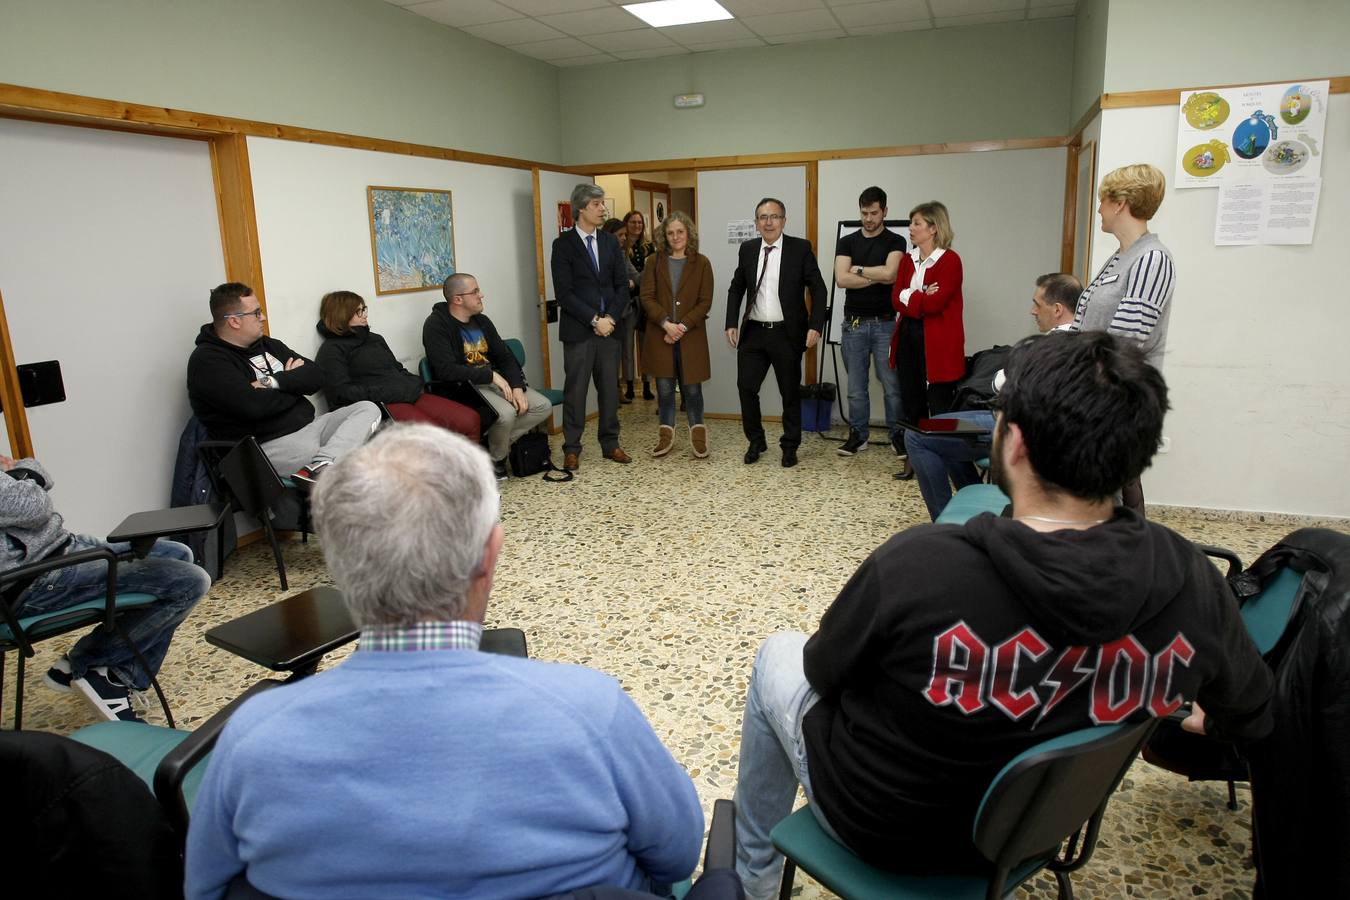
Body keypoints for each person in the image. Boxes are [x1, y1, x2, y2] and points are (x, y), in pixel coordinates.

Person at [730, 332, 1273, 899]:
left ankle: (750, 883)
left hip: (881, 829)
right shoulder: (1192, 580)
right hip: (1032, 837)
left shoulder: (918, 565)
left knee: (779, 653)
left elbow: (823, 672)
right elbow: (1255, 713)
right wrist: (1205, 720)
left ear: (1012, 443)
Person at [184, 425, 703, 899]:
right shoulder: (590, 711)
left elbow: (207, 889)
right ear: (490, 552)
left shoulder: (254, 738)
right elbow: (676, 855)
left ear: (338, 568)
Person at [2, 455, 210, 722]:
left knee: (178, 554)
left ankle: (99, 671)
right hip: (34, 580)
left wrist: (21, 476)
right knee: (190, 582)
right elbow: (34, 504)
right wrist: (25, 473)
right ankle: (97, 670)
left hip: (59, 549)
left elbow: (34, 491)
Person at [906, 272, 1081, 520]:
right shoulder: (1085, 340)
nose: (1032, 311)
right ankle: (970, 513)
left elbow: (999, 383)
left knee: (918, 435)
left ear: (1057, 309)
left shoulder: (1048, 348)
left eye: (1037, 304)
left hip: (1012, 427)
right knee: (949, 434)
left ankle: (945, 523)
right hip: (1039, 432)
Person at [187, 282, 379, 484]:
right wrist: (295, 385)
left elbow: (316, 376)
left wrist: (271, 382)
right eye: (256, 313)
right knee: (360, 464)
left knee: (368, 408)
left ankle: (323, 465)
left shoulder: (268, 345)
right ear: (234, 321)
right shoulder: (208, 361)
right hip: (268, 446)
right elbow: (253, 406)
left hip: (311, 426)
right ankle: (325, 465)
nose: (263, 317)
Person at [1073, 163, 1177, 515]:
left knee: (1107, 503)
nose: (1099, 208)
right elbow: (1084, 323)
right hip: (1096, 392)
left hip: (1117, 398)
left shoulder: (1152, 259)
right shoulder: (1120, 257)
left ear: (1120, 203)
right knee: (1096, 494)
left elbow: (1124, 343)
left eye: (1103, 200)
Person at [724, 198, 828, 469]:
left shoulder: (800, 249)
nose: (768, 222)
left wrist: (815, 326)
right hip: (754, 334)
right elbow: (736, 288)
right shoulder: (747, 250)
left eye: (774, 216)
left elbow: (818, 289)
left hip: (787, 334)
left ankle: (790, 445)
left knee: (789, 393)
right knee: (746, 387)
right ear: (756, 222)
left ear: (784, 220)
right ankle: (756, 441)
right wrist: (730, 322)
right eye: (762, 217)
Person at [423, 273, 553, 480]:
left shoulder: (481, 321)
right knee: (506, 414)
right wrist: (491, 376)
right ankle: (496, 461)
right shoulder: (436, 326)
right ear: (458, 299)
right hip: (465, 387)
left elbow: (505, 356)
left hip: (493, 380)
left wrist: (517, 387)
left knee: (541, 406)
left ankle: (489, 453)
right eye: (474, 292)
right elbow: (446, 371)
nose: (481, 295)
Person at [314, 290, 480, 442]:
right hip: (380, 405)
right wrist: (392, 392)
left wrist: (413, 383)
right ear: (342, 315)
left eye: (364, 309)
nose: (365, 315)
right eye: (358, 312)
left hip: (408, 394)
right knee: (431, 435)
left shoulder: (375, 338)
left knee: (471, 419)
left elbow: (397, 369)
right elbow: (341, 394)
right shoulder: (331, 350)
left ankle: (472, 470)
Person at [552, 184, 632, 470]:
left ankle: (610, 444)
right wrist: (594, 320)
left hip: (610, 329)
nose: (602, 210)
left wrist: (609, 318)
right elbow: (564, 294)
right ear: (582, 208)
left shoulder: (611, 243)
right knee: (576, 391)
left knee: (610, 390)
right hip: (579, 331)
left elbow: (622, 286)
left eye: (602, 204)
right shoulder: (563, 245)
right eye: (597, 204)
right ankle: (572, 447)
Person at [889, 201, 964, 480]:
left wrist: (913, 294)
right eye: (912, 223)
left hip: (938, 343)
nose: (911, 228)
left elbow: (937, 305)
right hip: (908, 335)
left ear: (933, 228)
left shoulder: (950, 260)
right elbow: (896, 299)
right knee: (912, 402)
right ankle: (913, 462)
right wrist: (921, 293)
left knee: (941, 407)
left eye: (916, 223)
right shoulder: (908, 260)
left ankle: (947, 465)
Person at [833, 186, 906, 457]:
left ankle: (897, 436)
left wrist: (860, 270)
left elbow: (891, 274)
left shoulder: (896, 241)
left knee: (892, 387)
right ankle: (858, 436)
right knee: (855, 388)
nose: (868, 219)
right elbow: (841, 279)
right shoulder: (848, 241)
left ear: (884, 211)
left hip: (885, 323)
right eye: (864, 213)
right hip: (853, 323)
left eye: (874, 213)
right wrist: (877, 276)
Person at [640, 210, 715, 459]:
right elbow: (646, 297)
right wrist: (666, 324)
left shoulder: (702, 262)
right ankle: (665, 436)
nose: (675, 237)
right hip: (660, 336)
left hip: (690, 336)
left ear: (688, 233)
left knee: (692, 390)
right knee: (663, 389)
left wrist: (681, 327)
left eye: (680, 232)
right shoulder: (654, 261)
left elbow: (705, 301)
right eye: (670, 233)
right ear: (664, 236)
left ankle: (698, 436)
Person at [603, 217, 643, 406]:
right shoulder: (599, 255)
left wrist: (651, 266)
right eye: (620, 235)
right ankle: (610, 394)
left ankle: (617, 391)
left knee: (619, 353)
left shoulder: (622, 254)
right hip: (604, 315)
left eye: (624, 235)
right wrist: (625, 284)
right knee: (608, 356)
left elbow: (635, 277)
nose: (623, 239)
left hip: (623, 311)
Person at [621, 209, 657, 402]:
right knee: (627, 345)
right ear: (626, 225)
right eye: (633, 222)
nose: (636, 226)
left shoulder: (649, 247)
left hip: (645, 301)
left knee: (646, 345)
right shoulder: (620, 246)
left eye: (640, 222)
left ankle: (646, 385)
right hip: (627, 302)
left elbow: (651, 275)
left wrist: (637, 282)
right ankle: (628, 385)